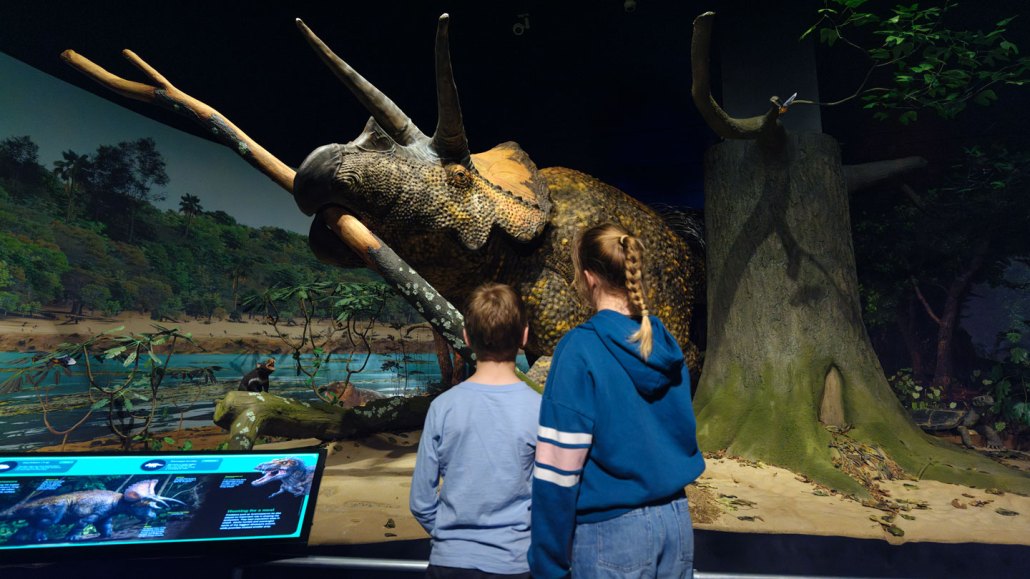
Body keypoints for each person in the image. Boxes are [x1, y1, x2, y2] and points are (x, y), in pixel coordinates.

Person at [529, 223, 705, 579]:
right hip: (676, 526)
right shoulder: (665, 345)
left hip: (611, 535)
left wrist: (547, 563)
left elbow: (558, 470)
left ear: (589, 277)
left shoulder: (579, 350)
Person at [410, 283, 542, 579]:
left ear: (466, 337)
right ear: (524, 336)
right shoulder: (540, 409)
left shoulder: (442, 408)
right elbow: (549, 497)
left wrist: (452, 540)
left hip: (449, 562)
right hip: (516, 564)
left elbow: (421, 502)